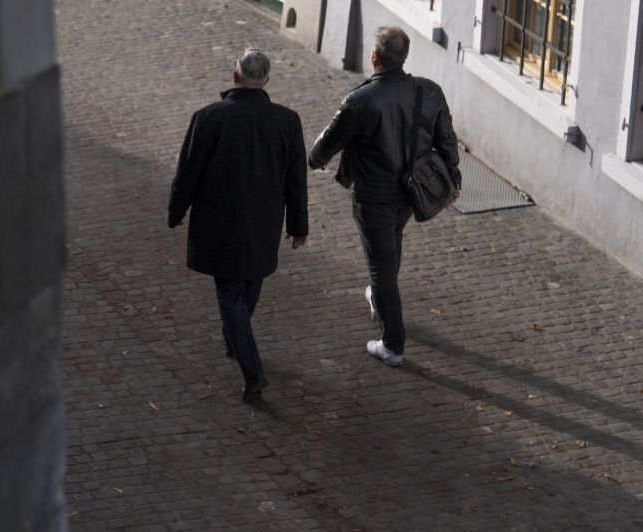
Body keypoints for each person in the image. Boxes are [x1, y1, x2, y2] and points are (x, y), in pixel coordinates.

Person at [308, 26, 460, 366]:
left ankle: (392, 343)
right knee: (390, 245)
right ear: (402, 58)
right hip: (410, 191)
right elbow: (448, 140)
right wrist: (454, 178)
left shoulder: (360, 101)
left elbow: (325, 146)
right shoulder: (430, 92)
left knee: (380, 265)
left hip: (373, 194)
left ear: (375, 57)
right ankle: (380, 298)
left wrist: (315, 161)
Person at [168, 47, 309, 402]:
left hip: (220, 220)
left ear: (234, 77)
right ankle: (235, 339)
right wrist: (298, 224)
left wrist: (176, 210)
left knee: (229, 291)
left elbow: (188, 172)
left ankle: (252, 370)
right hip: (264, 220)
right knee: (251, 280)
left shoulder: (209, 118)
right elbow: (296, 179)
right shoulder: (287, 121)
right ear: (266, 81)